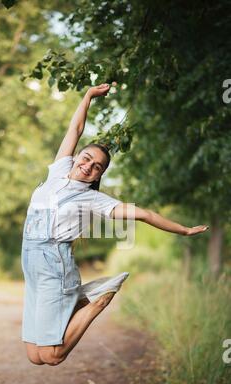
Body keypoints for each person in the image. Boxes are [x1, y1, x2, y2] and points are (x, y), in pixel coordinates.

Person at [21, 83, 209, 367]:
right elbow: (75, 129)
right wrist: (88, 96)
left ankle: (98, 300)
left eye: (97, 166)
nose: (89, 166)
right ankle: (78, 299)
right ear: (76, 157)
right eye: (87, 158)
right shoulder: (59, 170)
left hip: (53, 266)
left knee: (51, 355)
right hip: (30, 263)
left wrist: (183, 230)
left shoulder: (93, 199)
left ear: (99, 174)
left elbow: (145, 214)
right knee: (34, 356)